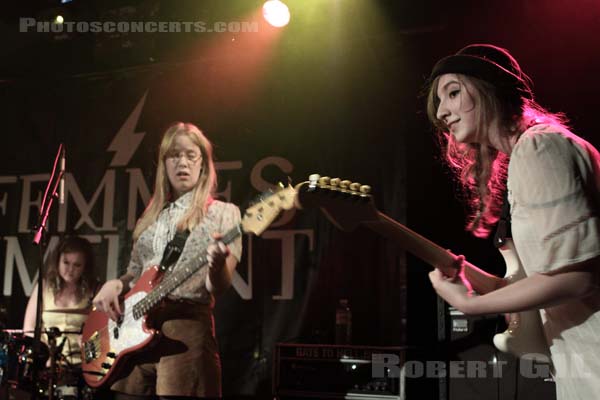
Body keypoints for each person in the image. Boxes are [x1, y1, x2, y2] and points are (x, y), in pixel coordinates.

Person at [425, 44, 600, 399]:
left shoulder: (539, 150)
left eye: (453, 93)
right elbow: (544, 283)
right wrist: (467, 277)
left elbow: (578, 278)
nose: (442, 112)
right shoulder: (539, 148)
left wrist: (470, 304)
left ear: (490, 89)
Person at [92, 122, 242, 400]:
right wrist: (116, 283)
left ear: (203, 164)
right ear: (164, 164)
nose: (182, 162)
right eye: (174, 155)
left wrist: (217, 264)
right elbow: (136, 274)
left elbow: (217, 288)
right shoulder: (150, 218)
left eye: (190, 155)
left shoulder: (223, 214)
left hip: (185, 330)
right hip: (134, 333)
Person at [23, 236, 98, 367]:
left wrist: (90, 344)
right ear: (57, 261)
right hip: (48, 364)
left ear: (85, 267)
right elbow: (29, 329)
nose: (70, 269)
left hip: (84, 364)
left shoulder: (95, 290)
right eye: (66, 262)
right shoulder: (44, 286)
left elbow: (103, 330)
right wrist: (43, 354)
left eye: (77, 265)